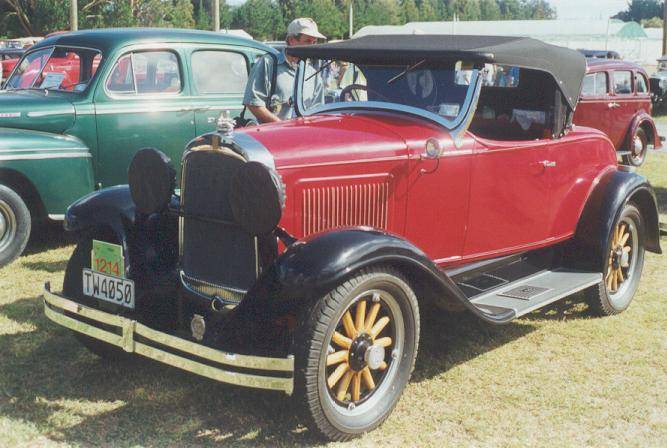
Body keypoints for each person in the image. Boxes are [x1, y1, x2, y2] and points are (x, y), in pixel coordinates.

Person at [243, 18, 325, 123]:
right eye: (308, 41)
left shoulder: (313, 74)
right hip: (272, 136)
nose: (312, 46)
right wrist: (281, 127)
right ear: (291, 40)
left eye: (314, 42)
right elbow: (253, 103)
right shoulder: (268, 63)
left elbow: (317, 112)